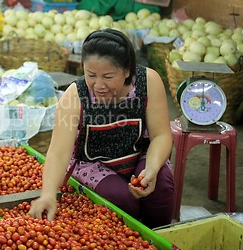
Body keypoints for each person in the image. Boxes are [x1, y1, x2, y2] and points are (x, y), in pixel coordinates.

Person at [28, 29, 175, 229]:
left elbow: (161, 135)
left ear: (126, 70)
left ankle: (162, 242)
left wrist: (151, 168)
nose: (98, 85)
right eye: (91, 75)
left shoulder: (148, 81)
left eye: (107, 76)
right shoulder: (75, 96)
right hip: (94, 165)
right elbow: (58, 153)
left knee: (161, 185)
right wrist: (48, 195)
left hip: (140, 154)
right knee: (121, 201)